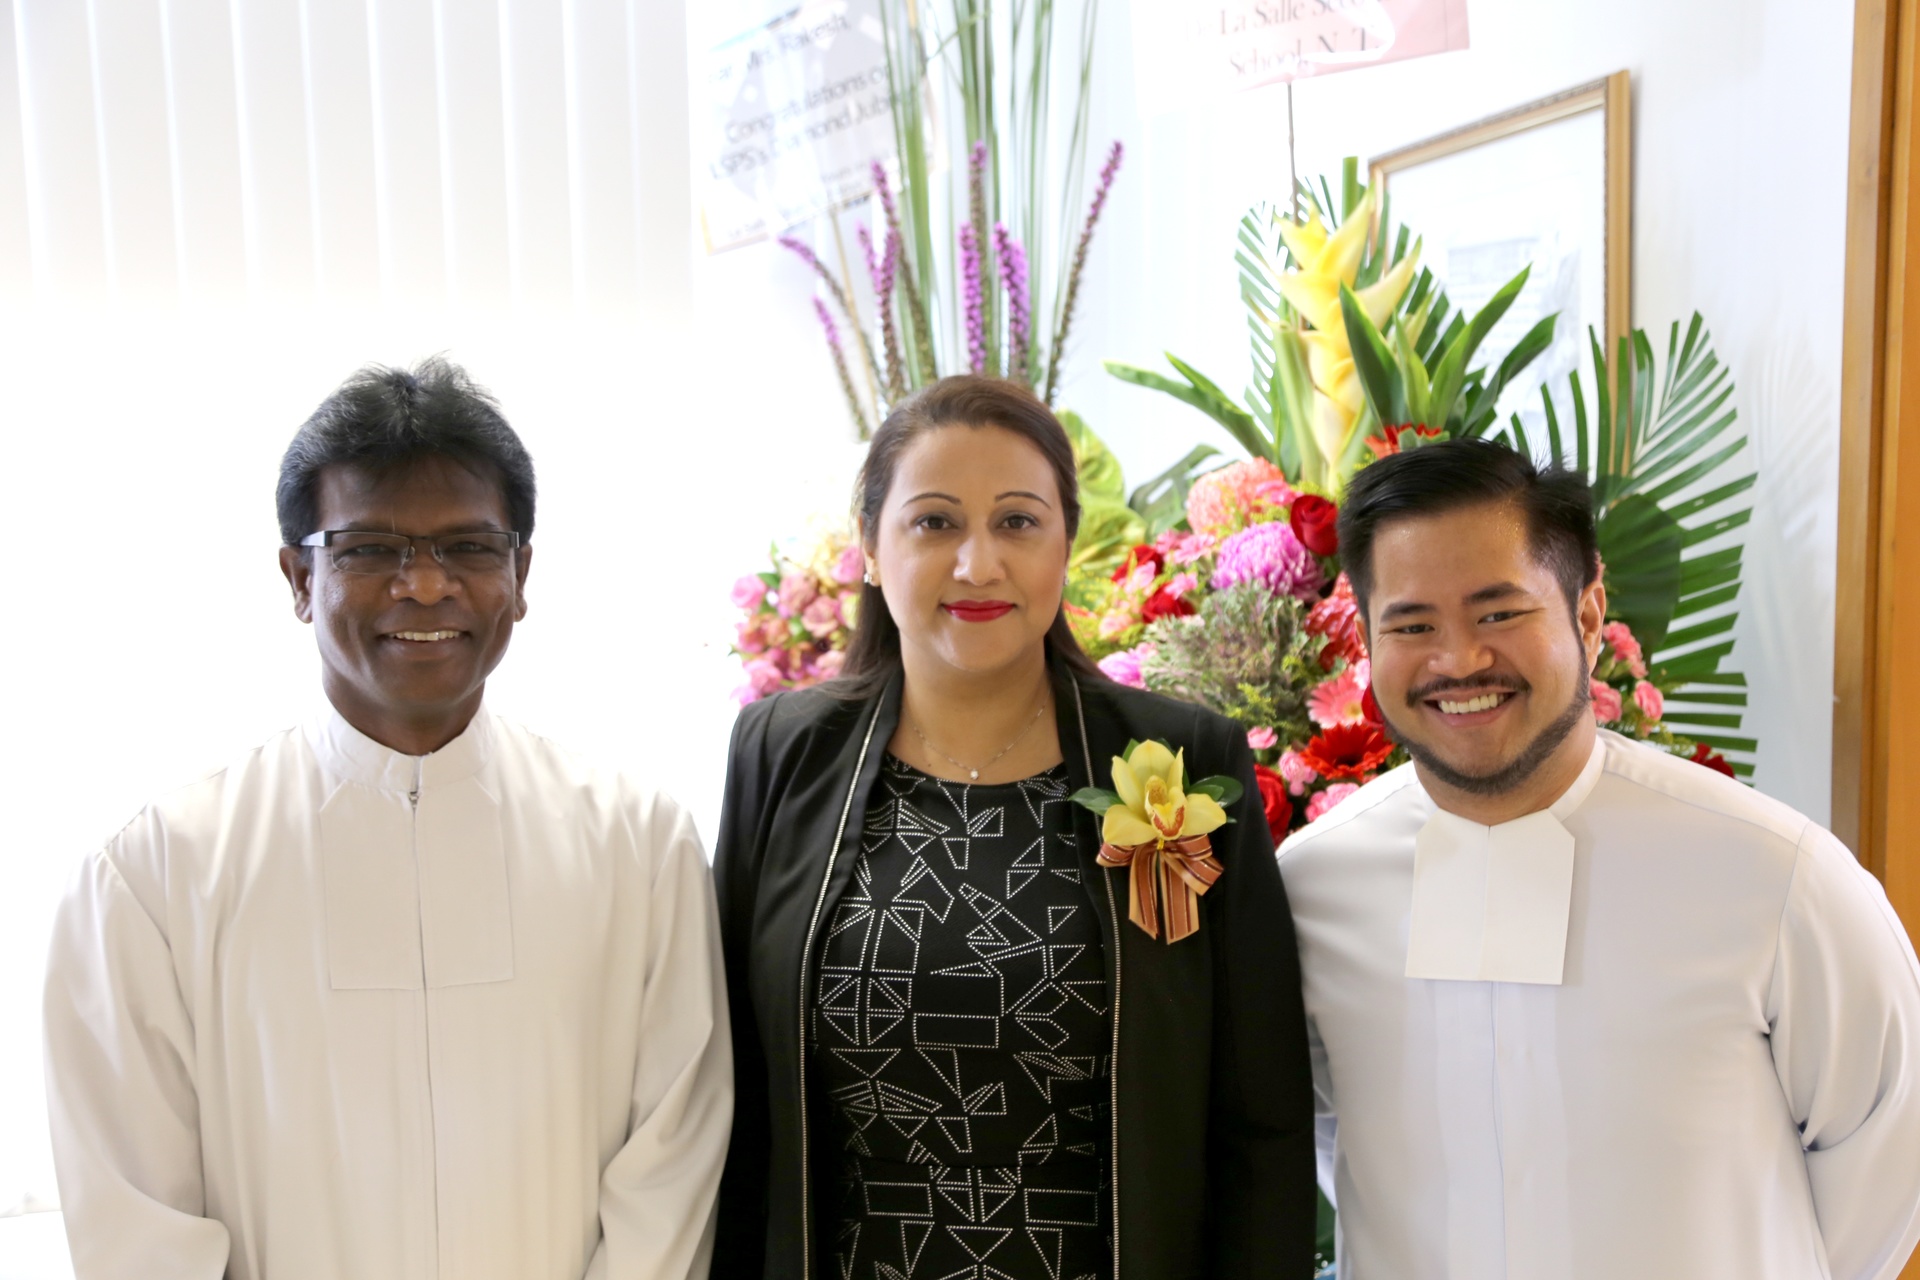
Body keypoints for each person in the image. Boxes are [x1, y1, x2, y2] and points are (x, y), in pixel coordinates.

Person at [43, 358, 732, 1280]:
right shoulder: (158, 877)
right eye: (370, 549)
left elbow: (672, 1168)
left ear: (521, 575)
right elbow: (136, 1223)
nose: (425, 586)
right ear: (299, 577)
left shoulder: (638, 847)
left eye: (469, 548)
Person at [710, 375, 1318, 1280]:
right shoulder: (783, 754)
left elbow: (1259, 1120)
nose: (978, 564)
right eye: (934, 522)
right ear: (870, 548)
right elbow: (729, 1094)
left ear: (1067, 543)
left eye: (1018, 522)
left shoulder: (1181, 762)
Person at [1278, 438, 1920, 1279]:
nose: (1459, 660)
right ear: (1367, 638)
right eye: (1412, 625)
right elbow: (1338, 1147)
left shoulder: (1774, 875)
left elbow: (1890, 1157)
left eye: (1498, 614)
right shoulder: (1311, 885)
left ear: (1586, 615)